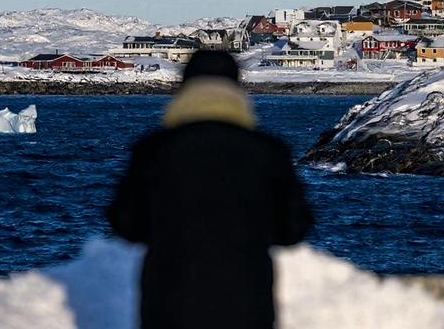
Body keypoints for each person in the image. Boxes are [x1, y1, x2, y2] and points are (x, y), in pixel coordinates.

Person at [107, 50, 313, 329]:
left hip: (169, 302)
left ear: (185, 88)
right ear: (236, 88)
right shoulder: (269, 151)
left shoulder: (153, 149)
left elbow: (126, 224)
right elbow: (293, 229)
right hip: (246, 301)